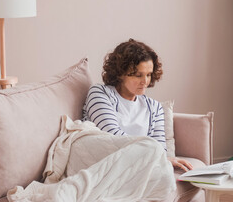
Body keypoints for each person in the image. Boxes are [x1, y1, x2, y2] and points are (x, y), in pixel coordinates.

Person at [82, 38, 193, 171]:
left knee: (163, 171)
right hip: (106, 163)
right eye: (138, 75)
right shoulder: (100, 93)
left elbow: (160, 150)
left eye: (148, 74)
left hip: (140, 166)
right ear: (120, 73)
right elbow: (112, 138)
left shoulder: (154, 107)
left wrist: (158, 157)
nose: (145, 81)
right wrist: (153, 154)